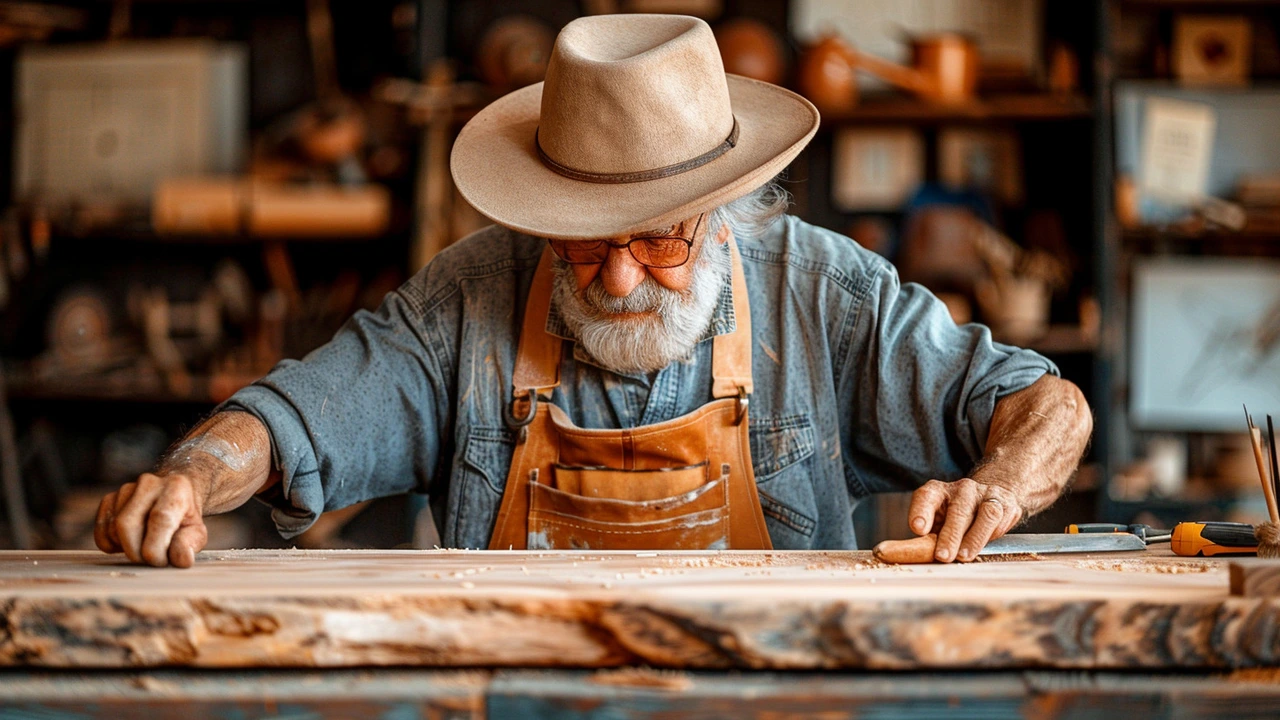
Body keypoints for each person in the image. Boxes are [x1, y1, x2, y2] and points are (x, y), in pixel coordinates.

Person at [94, 14, 1091, 568]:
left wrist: (998, 487)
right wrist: (191, 476)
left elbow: (1048, 405)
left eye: (658, 241)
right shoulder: (469, 299)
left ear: (727, 211)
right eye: (579, 244)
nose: (617, 278)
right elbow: (299, 414)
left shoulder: (821, 295)